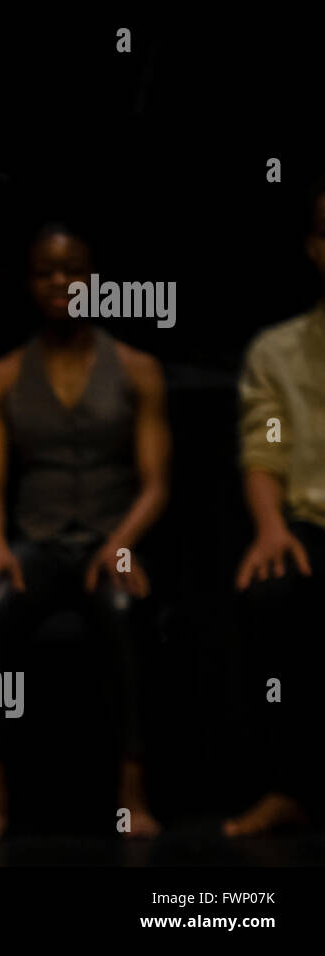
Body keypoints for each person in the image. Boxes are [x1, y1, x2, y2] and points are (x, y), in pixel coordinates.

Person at [0, 223, 170, 842]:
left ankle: (133, 794)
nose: (60, 283)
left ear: (93, 278)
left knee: (125, 612)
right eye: (46, 272)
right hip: (40, 541)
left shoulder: (138, 369)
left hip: (111, 536)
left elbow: (157, 481)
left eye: (72, 270)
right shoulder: (1, 376)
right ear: (30, 284)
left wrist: (122, 542)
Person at [223, 177, 325, 837]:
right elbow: (266, 445)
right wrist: (267, 529)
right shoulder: (278, 350)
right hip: (313, 523)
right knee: (273, 593)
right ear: (315, 248)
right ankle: (292, 787)